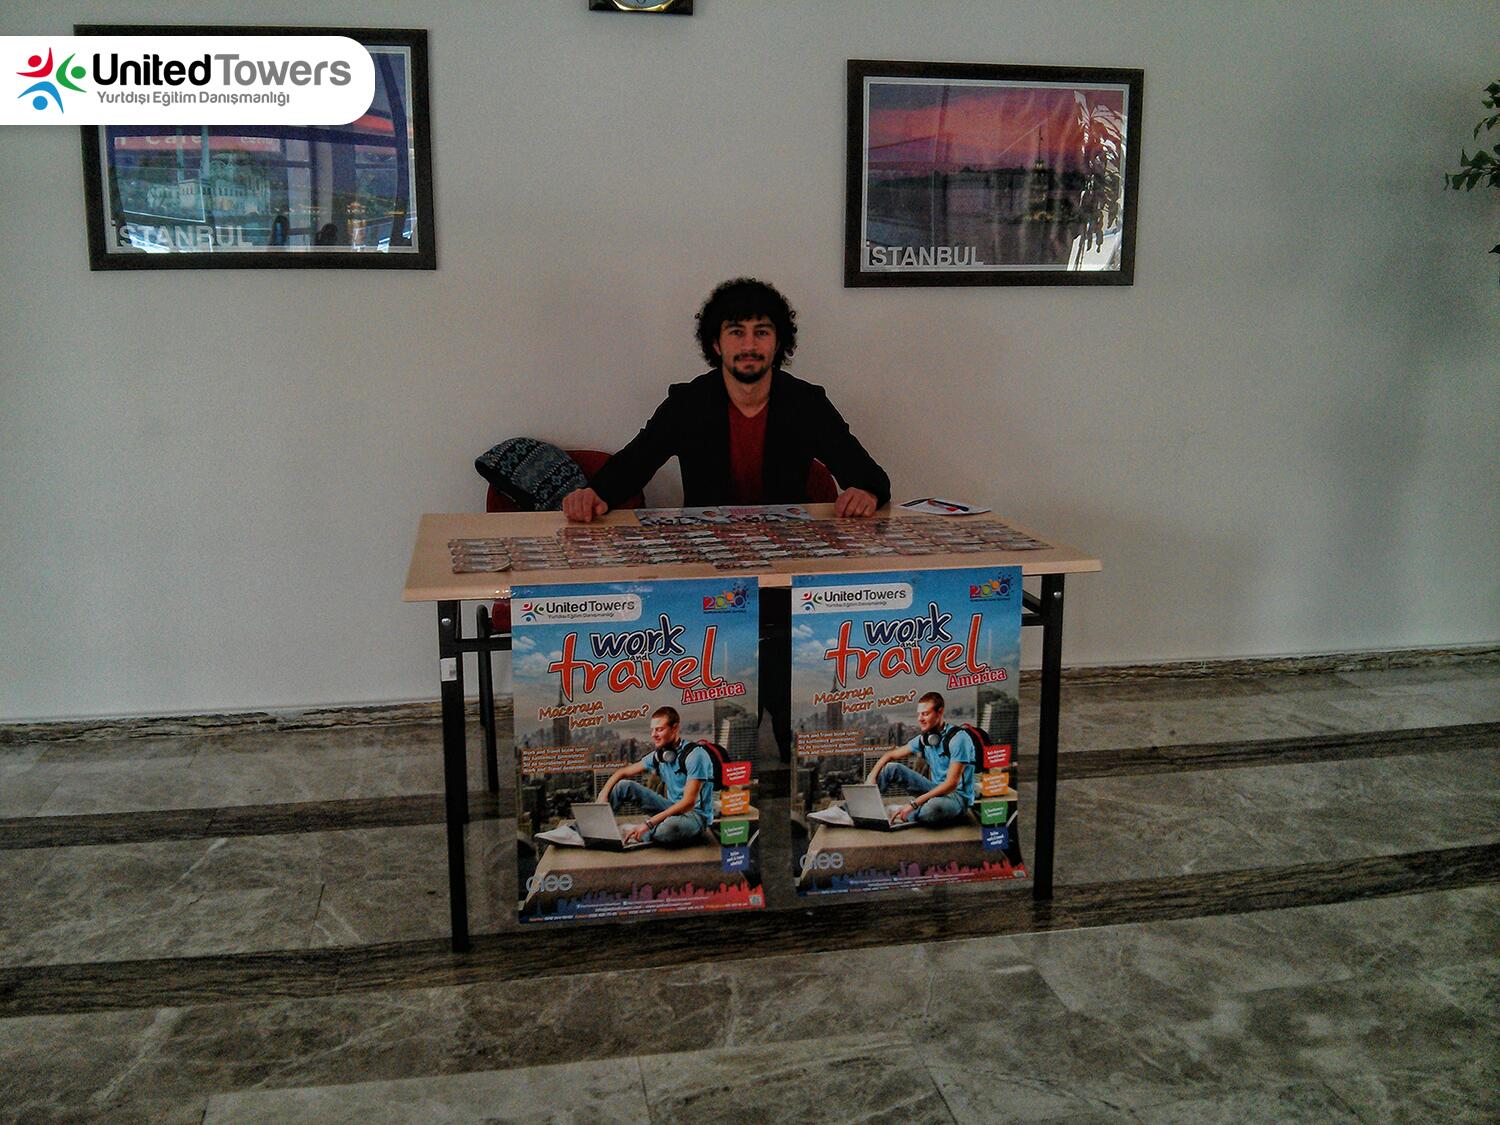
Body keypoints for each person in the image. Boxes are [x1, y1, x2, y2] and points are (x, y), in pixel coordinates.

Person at [561, 277, 890, 521]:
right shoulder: (687, 403)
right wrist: (593, 494)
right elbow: (634, 464)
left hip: (787, 556)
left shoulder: (806, 403)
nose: (749, 345)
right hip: (706, 560)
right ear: (716, 344)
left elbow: (871, 478)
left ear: (778, 344)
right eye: (736, 332)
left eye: (761, 332)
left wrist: (867, 492)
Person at [598, 707, 714, 846]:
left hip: (695, 816)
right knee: (623, 786)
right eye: (652, 730)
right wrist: (603, 795)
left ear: (675, 728)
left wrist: (649, 823)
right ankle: (590, 830)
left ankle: (634, 833)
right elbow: (622, 772)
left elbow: (688, 803)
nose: (653, 735)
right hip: (671, 809)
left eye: (659, 729)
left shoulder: (695, 755)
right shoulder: (660, 756)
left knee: (668, 829)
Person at [865, 692, 975, 827]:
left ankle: (899, 814)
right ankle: (861, 810)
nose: (920, 719)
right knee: (891, 768)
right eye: (919, 714)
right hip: (935, 790)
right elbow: (890, 755)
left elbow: (951, 784)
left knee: (933, 808)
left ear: (940, 712)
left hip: (957, 798)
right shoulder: (925, 739)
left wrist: (914, 804)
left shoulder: (959, 739)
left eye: (925, 714)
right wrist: (872, 776)